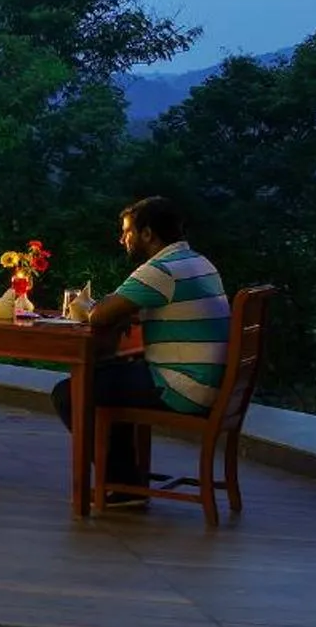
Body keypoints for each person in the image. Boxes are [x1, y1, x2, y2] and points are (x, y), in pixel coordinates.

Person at [54, 196, 229, 497]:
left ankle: (124, 486)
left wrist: (91, 307)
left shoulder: (160, 270)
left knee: (72, 392)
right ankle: (126, 481)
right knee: (107, 379)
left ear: (147, 234)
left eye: (127, 232)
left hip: (181, 387)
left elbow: (99, 315)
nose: (122, 239)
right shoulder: (199, 262)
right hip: (210, 384)